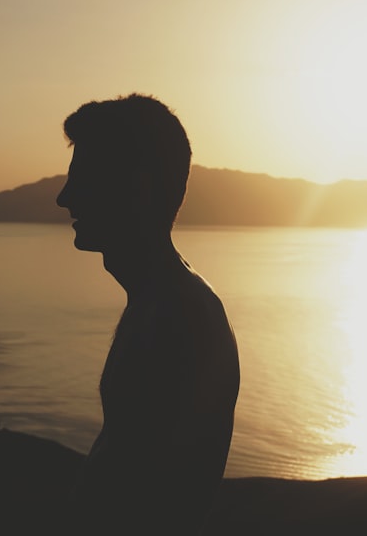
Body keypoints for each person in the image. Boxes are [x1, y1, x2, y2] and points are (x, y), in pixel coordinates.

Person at [56, 94, 240, 535]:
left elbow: (147, 500)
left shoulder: (177, 320)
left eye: (83, 180)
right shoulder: (161, 303)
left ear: (135, 186)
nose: (64, 198)